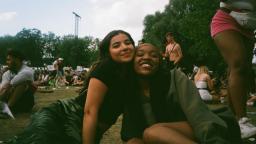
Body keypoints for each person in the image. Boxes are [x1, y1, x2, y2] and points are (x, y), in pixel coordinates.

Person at [4, 30, 135, 144]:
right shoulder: (107, 68)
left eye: (128, 43)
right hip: (61, 117)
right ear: (109, 52)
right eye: (116, 45)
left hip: (81, 127)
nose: (124, 47)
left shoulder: (132, 74)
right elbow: (90, 112)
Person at [121, 43, 241, 144]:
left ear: (159, 63)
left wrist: (214, 140)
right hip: (166, 137)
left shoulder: (174, 77)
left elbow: (198, 114)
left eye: (154, 55)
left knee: (151, 133)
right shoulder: (130, 91)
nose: (147, 57)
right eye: (140, 54)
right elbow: (131, 133)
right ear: (131, 62)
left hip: (206, 126)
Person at [210, 0, 256, 138]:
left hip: (248, 27)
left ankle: (231, 120)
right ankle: (241, 120)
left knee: (242, 70)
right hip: (226, 19)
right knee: (238, 64)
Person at [0, 49, 35, 114]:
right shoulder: (7, 73)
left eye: (9, 60)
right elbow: (3, 88)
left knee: (23, 83)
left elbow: (10, 84)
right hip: (7, 99)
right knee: (5, 88)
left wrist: (10, 86)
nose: (7, 62)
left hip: (24, 103)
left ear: (17, 60)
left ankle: (8, 109)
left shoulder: (27, 71)